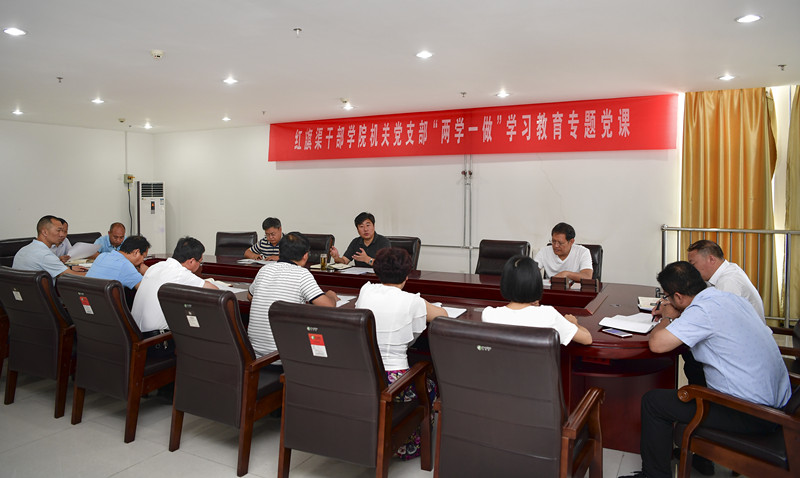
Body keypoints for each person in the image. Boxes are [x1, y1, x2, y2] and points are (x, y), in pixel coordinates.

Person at [621, 262, 790, 478]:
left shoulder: (702, 311)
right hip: (778, 403)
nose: (666, 301)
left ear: (678, 297)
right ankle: (699, 459)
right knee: (693, 363)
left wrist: (667, 317)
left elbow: (657, 344)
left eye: (667, 297)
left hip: (751, 413)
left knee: (653, 402)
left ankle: (655, 475)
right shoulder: (730, 298)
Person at [355, 247, 447, 459]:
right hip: (394, 384)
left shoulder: (366, 290)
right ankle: (410, 444)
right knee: (430, 384)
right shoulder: (412, 301)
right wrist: (425, 304)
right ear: (407, 275)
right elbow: (442, 314)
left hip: (364, 375)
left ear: (377, 271)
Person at [247, 232, 338, 361]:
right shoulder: (302, 274)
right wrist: (331, 295)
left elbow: (250, 296)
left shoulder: (264, 270)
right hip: (284, 358)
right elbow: (328, 306)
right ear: (305, 256)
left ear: (280, 252)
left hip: (255, 356)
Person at [482, 255, 592, 345]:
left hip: (503, 366)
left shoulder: (489, 314)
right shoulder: (548, 315)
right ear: (536, 284)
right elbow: (587, 339)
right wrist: (574, 323)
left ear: (504, 283)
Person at [131, 237, 217, 350]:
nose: (200, 265)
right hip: (156, 342)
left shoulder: (156, 266)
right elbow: (215, 292)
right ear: (191, 261)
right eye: (200, 262)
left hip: (134, 337)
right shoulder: (181, 273)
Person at [686, 239, 765, 322]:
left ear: (711, 259)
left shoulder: (729, 281)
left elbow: (720, 319)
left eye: (693, 264)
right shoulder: (726, 270)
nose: (692, 270)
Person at [13, 215, 86, 277]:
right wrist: (92, 274)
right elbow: (71, 276)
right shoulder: (45, 255)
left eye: (63, 231)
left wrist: (68, 268)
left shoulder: (24, 250)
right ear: (45, 232)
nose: (62, 235)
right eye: (58, 230)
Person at [86, 235, 150, 290]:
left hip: (86, 299)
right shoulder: (125, 265)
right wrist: (148, 272)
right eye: (143, 257)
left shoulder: (103, 255)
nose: (143, 261)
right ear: (136, 252)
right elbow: (147, 289)